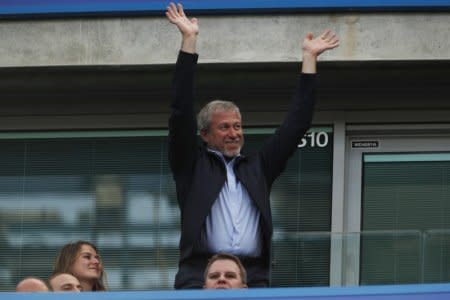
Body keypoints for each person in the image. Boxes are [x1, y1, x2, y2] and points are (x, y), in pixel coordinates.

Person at [166, 2, 339, 289]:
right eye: (224, 127)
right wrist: (189, 41)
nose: (234, 133)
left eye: (237, 126)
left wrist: (309, 59)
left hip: (253, 278)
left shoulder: (258, 167)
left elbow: (296, 126)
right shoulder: (191, 165)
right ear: (205, 134)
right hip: (199, 278)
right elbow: (181, 111)